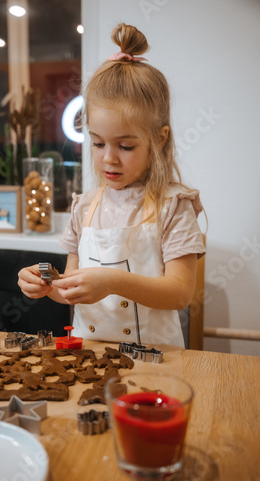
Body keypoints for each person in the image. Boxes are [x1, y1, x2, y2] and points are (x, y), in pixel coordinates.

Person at [18, 23, 206, 347]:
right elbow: (72, 292)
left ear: (159, 140)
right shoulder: (85, 207)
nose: (109, 159)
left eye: (126, 146)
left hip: (155, 362)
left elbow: (179, 293)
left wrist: (112, 281)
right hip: (89, 359)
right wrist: (48, 284)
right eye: (98, 143)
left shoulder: (173, 206)